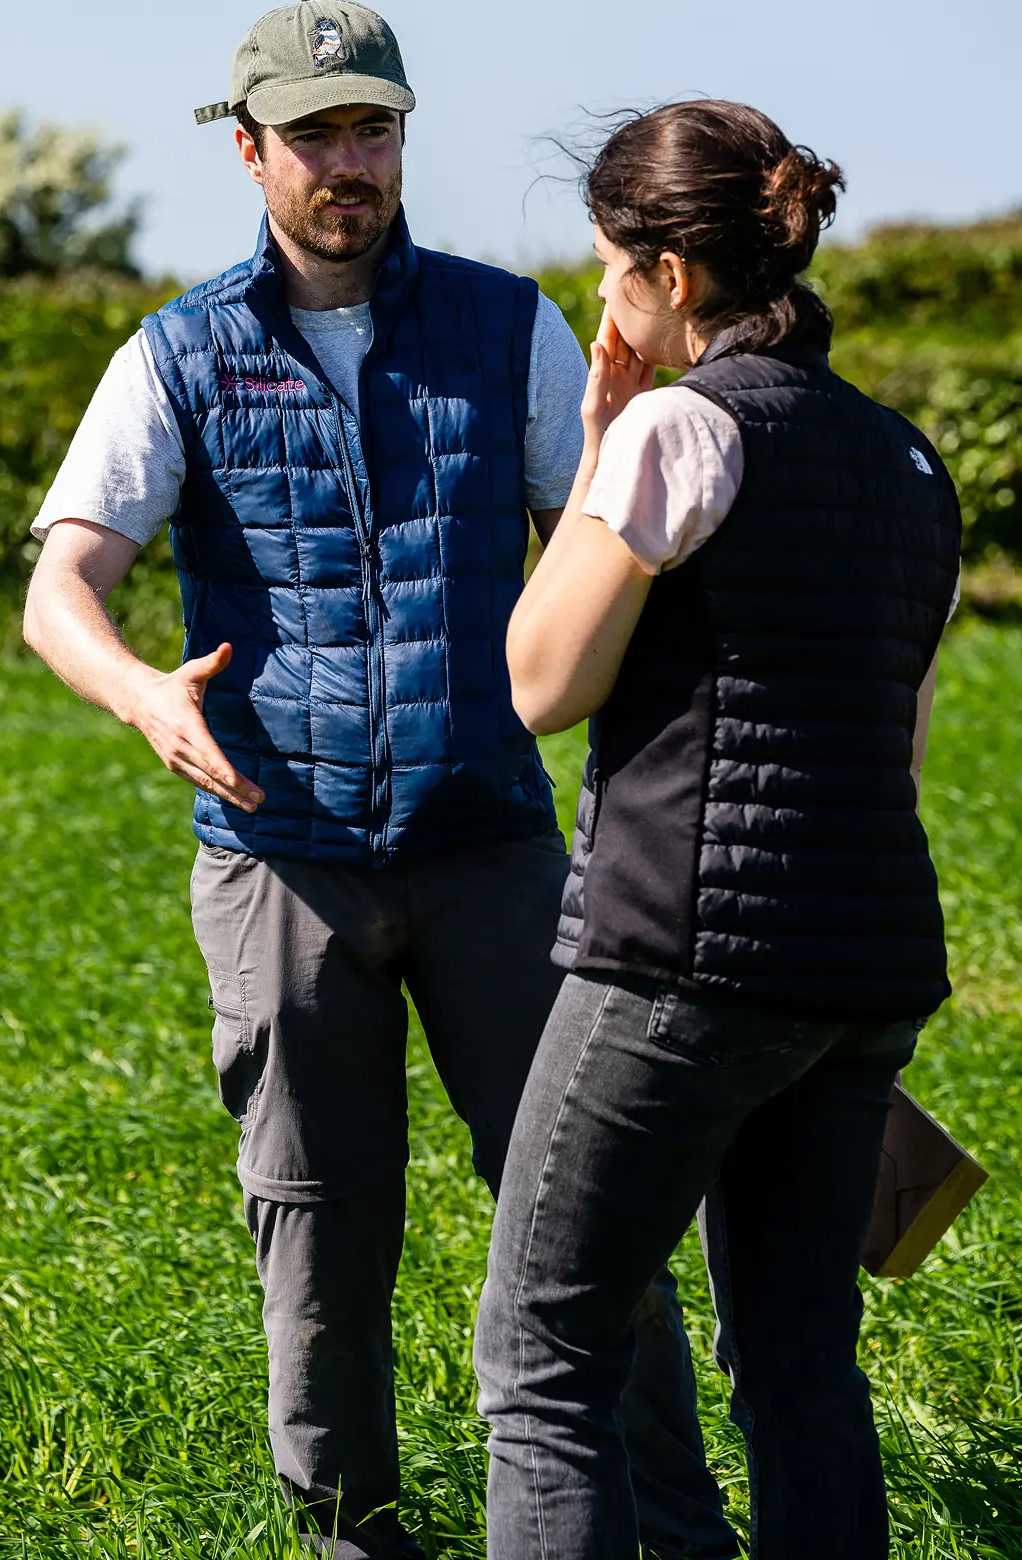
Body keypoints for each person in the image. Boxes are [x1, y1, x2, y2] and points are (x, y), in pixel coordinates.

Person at [23, 0, 739, 1560]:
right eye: (316, 137)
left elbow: (614, 547)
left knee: (589, 1217)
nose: (351, 164)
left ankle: (674, 1535)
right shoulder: (180, 353)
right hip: (281, 859)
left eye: (376, 129)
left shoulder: (509, 328)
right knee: (317, 1230)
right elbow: (59, 587)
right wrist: (141, 687)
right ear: (249, 151)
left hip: (493, 841)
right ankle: (355, 1538)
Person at [474, 99, 963, 1560]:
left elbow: (540, 685)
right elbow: (905, 742)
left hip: (675, 967)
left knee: (542, 1361)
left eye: (610, 271)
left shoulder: (679, 429)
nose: (603, 302)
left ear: (671, 279)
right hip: (862, 974)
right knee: (803, 1373)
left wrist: (602, 440)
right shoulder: (908, 462)